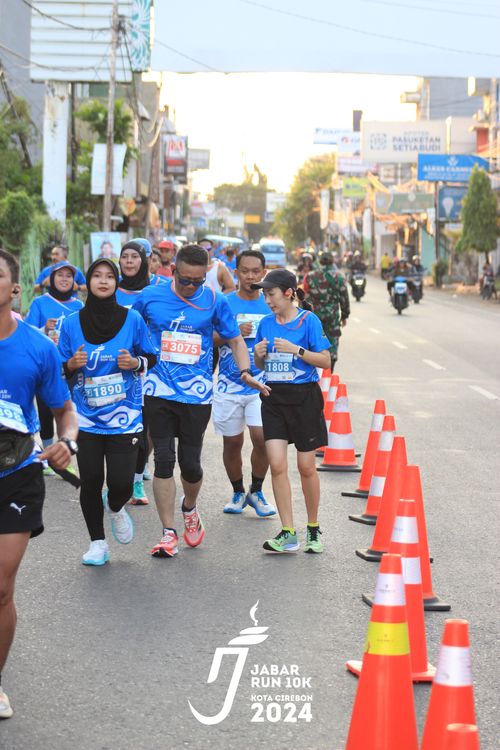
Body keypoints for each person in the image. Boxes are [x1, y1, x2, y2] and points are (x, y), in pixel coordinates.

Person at [133, 243, 269, 559]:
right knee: (163, 459)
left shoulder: (214, 300)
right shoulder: (150, 296)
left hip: (196, 393)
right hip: (158, 389)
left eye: (197, 281)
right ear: (174, 271)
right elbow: (129, 329)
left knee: (191, 465)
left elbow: (235, 339)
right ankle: (168, 532)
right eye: (185, 280)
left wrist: (246, 371)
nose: (191, 286)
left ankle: (190, 507)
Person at [0, 248, 78, 719]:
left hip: (16, 475)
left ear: (14, 288)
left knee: (1, 588)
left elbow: (64, 410)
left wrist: (67, 441)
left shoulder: (37, 347)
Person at [58, 258, 157, 566]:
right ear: (88, 282)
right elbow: (58, 367)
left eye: (109, 277)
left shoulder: (132, 319)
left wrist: (135, 363)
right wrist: (70, 365)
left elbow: (151, 356)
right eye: (97, 276)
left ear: (116, 283)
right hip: (85, 417)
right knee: (90, 480)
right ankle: (97, 543)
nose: (103, 281)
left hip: (124, 417)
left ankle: (114, 506)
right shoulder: (71, 323)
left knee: (122, 484)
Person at [252, 269, 330, 554]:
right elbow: (261, 366)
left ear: (288, 293)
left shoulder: (309, 321)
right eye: (264, 295)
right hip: (273, 397)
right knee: (277, 465)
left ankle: (313, 528)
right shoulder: (265, 323)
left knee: (306, 467)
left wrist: (297, 350)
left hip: (304, 398)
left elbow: (325, 360)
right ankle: (288, 532)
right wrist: (258, 356)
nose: (267, 300)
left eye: (271, 294)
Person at [212, 249, 276, 517]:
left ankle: (257, 490)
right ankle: (238, 492)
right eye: (245, 271)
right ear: (236, 273)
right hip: (229, 384)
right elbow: (208, 337)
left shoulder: (271, 304)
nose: (250, 276)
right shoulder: (223, 302)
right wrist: (232, 333)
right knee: (232, 442)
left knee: (262, 439)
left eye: (256, 271)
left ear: (264, 273)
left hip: (262, 384)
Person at [25, 262, 84, 476]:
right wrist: (44, 329)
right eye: (60, 275)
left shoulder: (79, 305)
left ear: (74, 281)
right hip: (45, 366)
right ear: (51, 279)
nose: (64, 279)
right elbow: (27, 332)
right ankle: (48, 454)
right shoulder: (40, 302)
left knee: (66, 410)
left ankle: (62, 454)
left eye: (69, 276)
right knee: (45, 410)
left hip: (71, 366)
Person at [303, 252, 350, 371]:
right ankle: (329, 371)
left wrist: (303, 316)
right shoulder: (339, 277)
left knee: (313, 342)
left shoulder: (310, 276)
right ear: (332, 261)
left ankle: (315, 369)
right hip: (332, 318)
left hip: (314, 317)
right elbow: (344, 298)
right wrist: (344, 315)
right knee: (332, 343)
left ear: (320, 261)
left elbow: (304, 298)